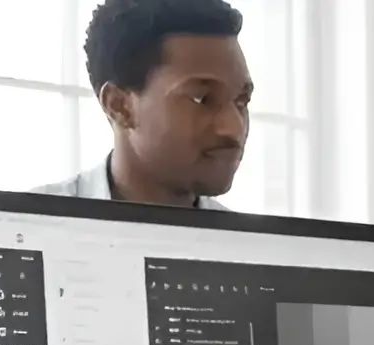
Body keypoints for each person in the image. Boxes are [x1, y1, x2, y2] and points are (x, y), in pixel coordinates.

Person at [34, 0, 250, 207]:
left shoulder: (252, 244)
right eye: (201, 99)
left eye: (242, 101)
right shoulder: (26, 228)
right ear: (119, 105)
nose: (234, 128)